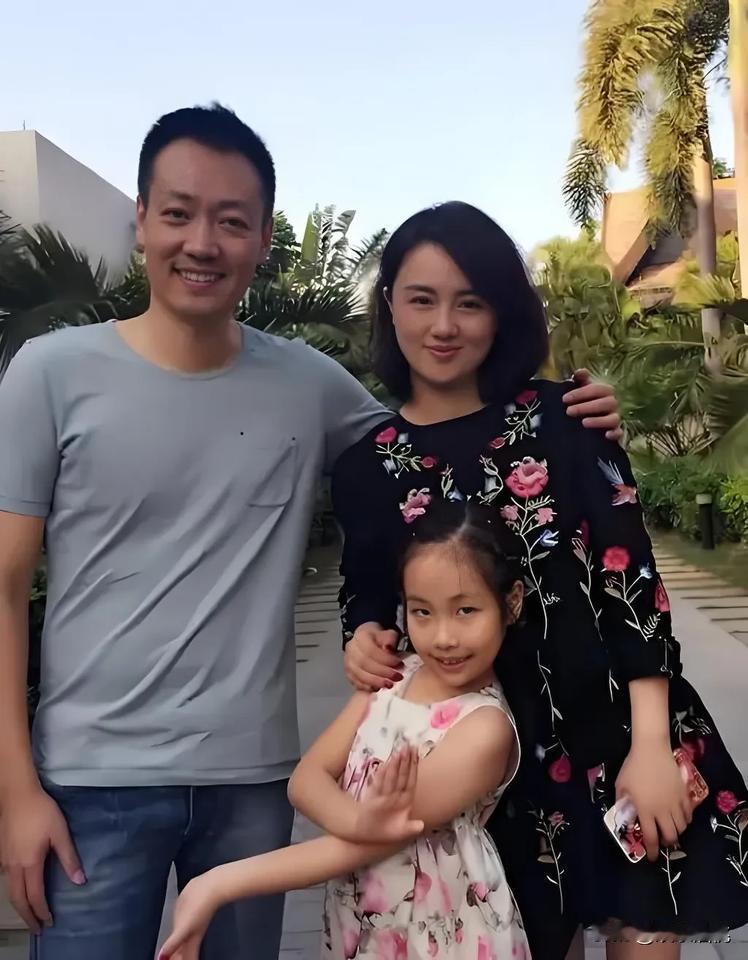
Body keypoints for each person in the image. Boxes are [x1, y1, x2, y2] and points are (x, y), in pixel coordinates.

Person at [0, 107, 619, 959]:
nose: (202, 242)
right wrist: (16, 791)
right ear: (140, 220)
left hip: (253, 781)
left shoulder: (307, 383)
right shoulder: (50, 372)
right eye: (178, 213)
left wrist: (575, 419)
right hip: (89, 784)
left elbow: (440, 442)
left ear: (262, 239)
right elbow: (5, 590)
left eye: (232, 221)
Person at [332, 202, 748, 960]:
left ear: (502, 312)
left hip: (620, 738)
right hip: (486, 761)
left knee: (648, 935)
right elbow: (366, 590)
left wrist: (651, 745)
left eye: (471, 302)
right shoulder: (366, 466)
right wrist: (361, 635)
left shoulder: (568, 420)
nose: (444, 326)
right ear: (389, 304)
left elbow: (633, 583)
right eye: (422, 299)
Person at [159, 500, 532, 960]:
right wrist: (360, 821)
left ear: (511, 601)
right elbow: (305, 780)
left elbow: (357, 848)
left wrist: (216, 884)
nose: (443, 637)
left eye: (466, 610)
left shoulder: (483, 729)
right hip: (364, 923)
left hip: (440, 934)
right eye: (422, 612)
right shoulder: (395, 677)